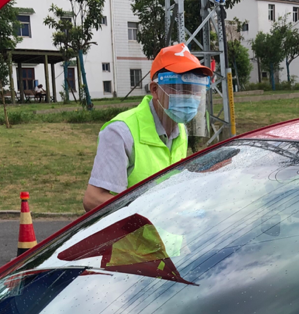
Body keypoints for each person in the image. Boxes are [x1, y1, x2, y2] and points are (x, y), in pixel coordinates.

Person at [82, 44, 212, 212]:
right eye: (179, 88)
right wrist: (150, 212)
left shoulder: (180, 130)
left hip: (167, 228)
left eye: (195, 89)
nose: (189, 96)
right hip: (134, 230)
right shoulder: (121, 132)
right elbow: (93, 199)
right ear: (155, 90)